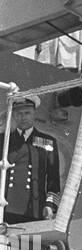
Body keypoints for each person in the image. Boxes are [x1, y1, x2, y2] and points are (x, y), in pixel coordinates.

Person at [0, 93, 61, 225]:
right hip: (4, 209)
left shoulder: (48, 142)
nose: (23, 117)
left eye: (27, 113)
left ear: (34, 113)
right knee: (4, 245)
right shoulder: (3, 140)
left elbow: (53, 179)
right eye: (19, 114)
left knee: (33, 245)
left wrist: (50, 205)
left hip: (34, 209)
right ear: (14, 115)